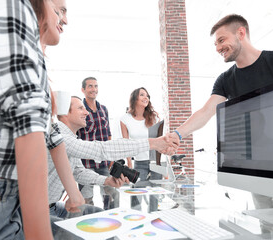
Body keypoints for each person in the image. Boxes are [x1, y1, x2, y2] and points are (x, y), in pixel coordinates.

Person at [167, 14, 273, 224]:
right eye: (215, 43)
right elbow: (206, 112)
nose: (218, 48)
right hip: (258, 168)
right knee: (268, 227)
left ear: (241, 33)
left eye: (221, 40)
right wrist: (176, 134)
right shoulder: (226, 80)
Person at [0, 0, 62, 239]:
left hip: (1, 197)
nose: (64, 19)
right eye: (59, 10)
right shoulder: (12, 6)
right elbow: (27, 123)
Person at [49, 96, 178, 239]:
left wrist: (107, 181)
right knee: (78, 235)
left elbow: (78, 172)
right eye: (80, 108)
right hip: (37, 213)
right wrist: (152, 144)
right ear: (64, 113)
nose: (87, 112)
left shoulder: (71, 139)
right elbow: (101, 150)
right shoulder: (58, 134)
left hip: (54, 207)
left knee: (104, 218)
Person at [77, 77, 118, 210]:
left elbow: (108, 134)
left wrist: (111, 157)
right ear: (83, 90)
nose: (93, 89)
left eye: (95, 86)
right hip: (86, 163)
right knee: (86, 200)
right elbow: (75, 136)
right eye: (90, 86)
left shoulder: (103, 109)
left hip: (103, 162)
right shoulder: (80, 110)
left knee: (111, 196)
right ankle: (89, 226)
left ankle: (110, 220)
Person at [120, 87, 163, 212]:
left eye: (147, 96)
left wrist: (164, 166)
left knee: (155, 195)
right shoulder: (125, 119)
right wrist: (129, 163)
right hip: (139, 162)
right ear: (135, 98)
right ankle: (136, 218)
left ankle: (153, 217)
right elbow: (125, 143)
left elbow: (159, 140)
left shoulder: (153, 117)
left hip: (155, 161)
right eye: (142, 95)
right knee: (136, 193)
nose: (146, 98)